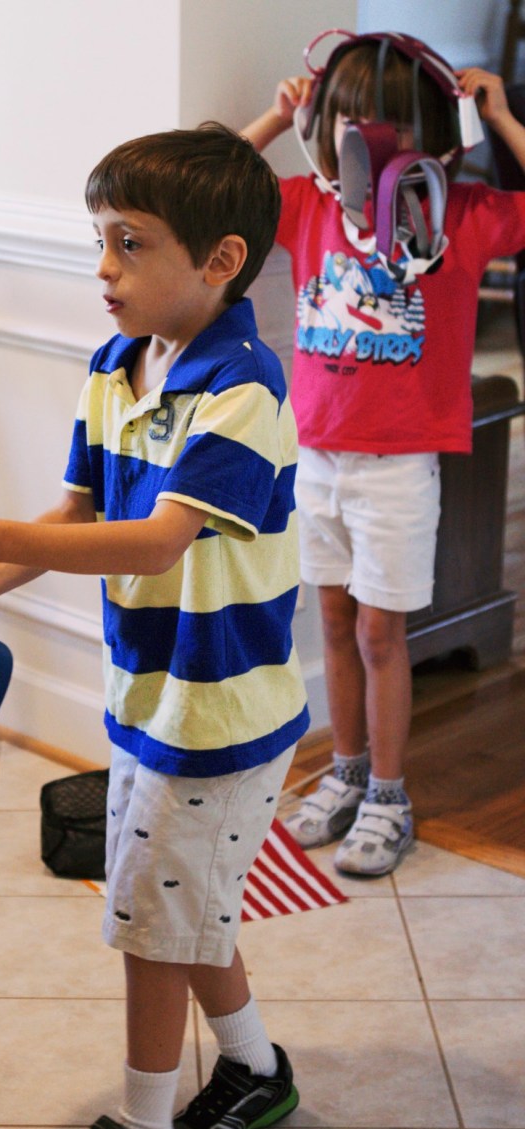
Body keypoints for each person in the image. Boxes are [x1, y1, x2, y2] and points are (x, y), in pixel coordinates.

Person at [0, 123, 307, 1129]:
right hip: (150, 694)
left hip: (219, 713)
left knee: (151, 927)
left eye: (130, 244)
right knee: (178, 906)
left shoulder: (243, 393)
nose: (103, 269)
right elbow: (80, 509)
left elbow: (156, 538)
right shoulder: (116, 367)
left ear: (219, 264)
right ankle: (256, 1070)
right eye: (99, 239)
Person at [240, 34, 525, 876]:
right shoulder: (307, 208)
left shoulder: (464, 222)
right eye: (349, 125)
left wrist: (503, 116)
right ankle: (347, 772)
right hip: (319, 456)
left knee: (380, 633)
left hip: (400, 467)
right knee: (330, 621)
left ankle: (390, 794)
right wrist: (276, 115)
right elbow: (205, 182)